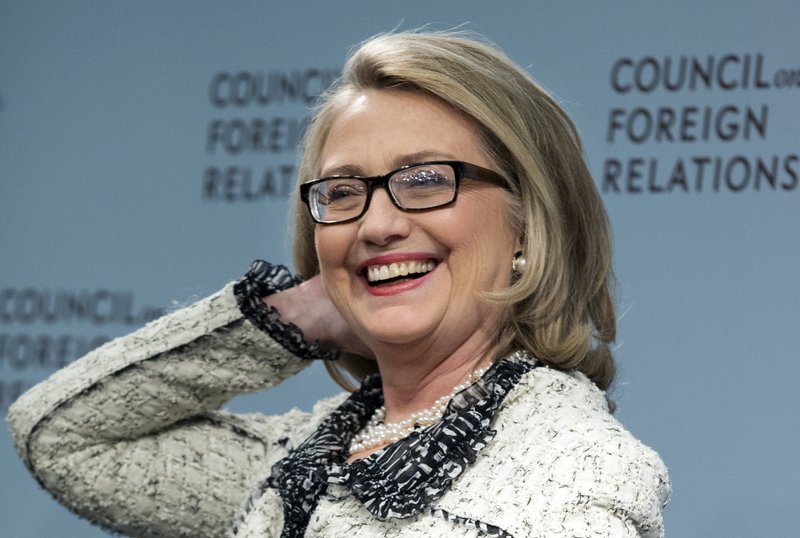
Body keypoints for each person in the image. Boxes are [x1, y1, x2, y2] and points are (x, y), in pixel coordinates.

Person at [7, 31, 670, 537]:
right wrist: (293, 316)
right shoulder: (301, 455)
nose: (377, 224)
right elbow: (61, 438)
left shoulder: (582, 468)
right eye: (345, 191)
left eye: (425, 181)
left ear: (528, 223)